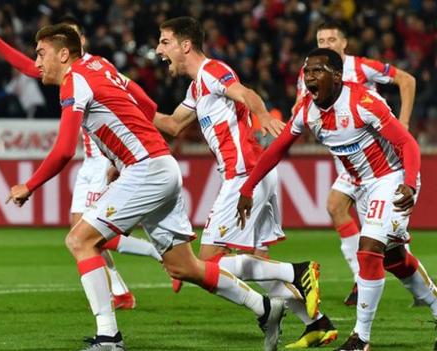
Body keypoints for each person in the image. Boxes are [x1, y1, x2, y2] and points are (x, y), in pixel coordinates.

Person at [8, 23, 286, 351]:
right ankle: (265, 307)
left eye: (41, 53)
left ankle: (109, 337)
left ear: (64, 54)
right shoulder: (99, 65)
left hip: (146, 170)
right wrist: (139, 128)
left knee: (79, 240)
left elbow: (65, 149)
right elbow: (134, 94)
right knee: (184, 267)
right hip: (160, 166)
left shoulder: (74, 81)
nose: (36, 62)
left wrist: (30, 184)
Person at [153, 16, 336, 348]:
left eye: (164, 43)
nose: (158, 50)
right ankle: (317, 323)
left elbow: (245, 93)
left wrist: (263, 115)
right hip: (256, 175)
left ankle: (297, 272)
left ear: (185, 45)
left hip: (245, 175)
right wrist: (127, 103)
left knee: (207, 262)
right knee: (259, 264)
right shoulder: (196, 87)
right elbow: (171, 125)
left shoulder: (211, 71)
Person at [238, 48, 437, 351]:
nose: (309, 78)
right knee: (395, 260)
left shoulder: (362, 102)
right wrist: (247, 188)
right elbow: (277, 149)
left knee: (369, 249)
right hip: (360, 185)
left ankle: (361, 338)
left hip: (392, 179)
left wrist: (409, 183)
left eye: (317, 71)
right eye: (306, 72)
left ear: (336, 76)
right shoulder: (307, 110)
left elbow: (407, 143)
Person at [0, 13, 163, 309]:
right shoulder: (76, 73)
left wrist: (156, 126)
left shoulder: (93, 68)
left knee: (86, 234)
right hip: (90, 162)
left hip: (108, 160)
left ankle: (150, 260)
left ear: (72, 46)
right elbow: (30, 67)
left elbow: (139, 98)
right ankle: (120, 291)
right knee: (80, 230)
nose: (40, 60)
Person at [296, 20, 417, 305]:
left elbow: (407, 80)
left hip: (376, 162)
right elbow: (302, 106)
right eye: (321, 39)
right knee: (336, 207)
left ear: (344, 43)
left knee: (385, 243)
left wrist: (404, 122)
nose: (326, 44)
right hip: (348, 163)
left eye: (331, 39)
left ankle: (417, 291)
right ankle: (359, 277)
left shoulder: (362, 67)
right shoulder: (310, 71)